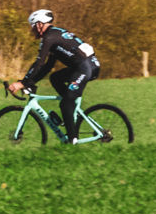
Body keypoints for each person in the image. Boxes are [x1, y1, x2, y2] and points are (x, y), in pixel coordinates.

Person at [8, 8, 101, 143]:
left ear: (40, 24)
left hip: (85, 68)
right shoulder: (55, 34)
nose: (32, 30)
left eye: (33, 27)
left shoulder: (49, 38)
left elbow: (39, 62)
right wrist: (29, 82)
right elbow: (47, 67)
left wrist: (23, 82)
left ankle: (72, 140)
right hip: (86, 66)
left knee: (65, 104)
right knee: (55, 78)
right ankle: (70, 112)